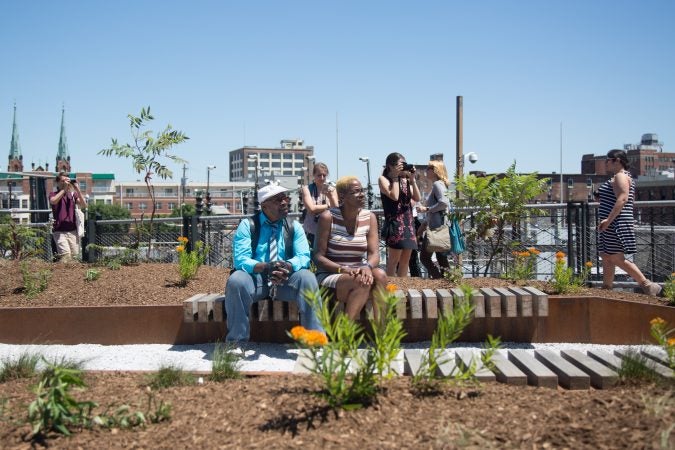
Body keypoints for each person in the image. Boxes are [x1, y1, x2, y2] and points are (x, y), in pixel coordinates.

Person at [225, 184, 324, 343]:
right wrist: (266, 267)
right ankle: (236, 342)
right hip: (257, 280)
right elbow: (241, 260)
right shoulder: (248, 225)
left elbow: (304, 256)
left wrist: (287, 266)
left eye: (285, 198)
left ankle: (315, 341)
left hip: (286, 280)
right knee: (236, 280)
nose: (284, 202)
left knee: (307, 277)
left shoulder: (294, 226)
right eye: (278, 199)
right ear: (264, 205)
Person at [314, 176, 388, 319]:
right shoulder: (328, 217)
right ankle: (346, 334)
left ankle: (381, 332)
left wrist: (367, 266)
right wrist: (343, 269)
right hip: (331, 275)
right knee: (361, 282)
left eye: (362, 191)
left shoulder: (370, 217)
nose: (362, 194)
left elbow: (374, 254)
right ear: (342, 196)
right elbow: (318, 256)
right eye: (356, 192)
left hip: (359, 273)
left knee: (380, 275)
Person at [597, 149, 661, 296]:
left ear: (617, 160)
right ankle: (606, 289)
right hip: (611, 222)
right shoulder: (617, 177)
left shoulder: (620, 176)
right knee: (606, 256)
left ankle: (648, 285)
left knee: (616, 257)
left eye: (608, 160)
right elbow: (615, 197)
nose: (605, 163)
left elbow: (623, 198)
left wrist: (608, 220)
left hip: (616, 223)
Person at [378, 152, 421, 277]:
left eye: (404, 165)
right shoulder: (383, 179)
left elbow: (417, 198)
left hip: (408, 223)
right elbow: (394, 196)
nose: (403, 167)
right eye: (399, 165)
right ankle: (391, 289)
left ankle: (403, 288)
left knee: (405, 261)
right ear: (390, 166)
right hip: (395, 223)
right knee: (393, 261)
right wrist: (395, 177)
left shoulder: (405, 180)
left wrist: (412, 180)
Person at [416, 160, 450, 279]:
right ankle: (448, 281)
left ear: (435, 170)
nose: (426, 170)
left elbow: (444, 203)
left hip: (436, 229)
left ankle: (438, 279)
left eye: (429, 167)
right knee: (441, 257)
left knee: (424, 257)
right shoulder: (442, 184)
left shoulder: (437, 185)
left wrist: (427, 209)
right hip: (439, 227)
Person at [49, 172, 86, 262]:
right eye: (62, 181)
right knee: (66, 256)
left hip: (73, 231)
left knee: (74, 258)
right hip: (59, 231)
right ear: (57, 182)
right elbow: (53, 201)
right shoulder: (53, 194)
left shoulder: (73, 195)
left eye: (66, 181)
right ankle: (62, 275)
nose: (65, 183)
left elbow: (84, 205)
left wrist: (77, 189)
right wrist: (64, 189)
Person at [301, 162, 338, 248]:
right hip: (311, 232)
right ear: (313, 175)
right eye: (319, 175)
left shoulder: (332, 189)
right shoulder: (307, 189)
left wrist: (331, 196)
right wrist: (328, 206)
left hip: (328, 232)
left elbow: (336, 209)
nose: (322, 178)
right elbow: (311, 209)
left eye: (324, 175)